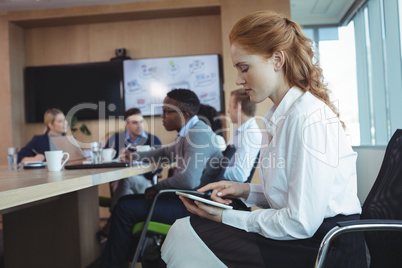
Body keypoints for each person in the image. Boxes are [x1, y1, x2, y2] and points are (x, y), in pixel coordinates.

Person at [161, 10, 367, 268]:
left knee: (186, 233)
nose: (238, 79)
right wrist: (246, 191)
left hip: (325, 247)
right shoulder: (280, 116)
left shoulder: (308, 118)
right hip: (307, 237)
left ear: (277, 60)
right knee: (188, 229)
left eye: (244, 68)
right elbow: (292, 196)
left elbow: (301, 221)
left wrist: (228, 217)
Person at [100, 89, 223, 267]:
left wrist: (156, 188)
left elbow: (189, 180)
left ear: (185, 114)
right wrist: (135, 157)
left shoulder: (197, 134)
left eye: (167, 111)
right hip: (186, 200)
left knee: (124, 209)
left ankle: (114, 264)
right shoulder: (187, 133)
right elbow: (165, 153)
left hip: (193, 206)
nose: (161, 116)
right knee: (124, 203)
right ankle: (118, 261)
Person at [105, 108, 162, 204]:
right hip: (119, 180)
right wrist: (115, 157)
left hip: (144, 181)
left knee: (127, 178)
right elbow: (105, 161)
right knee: (126, 186)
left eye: (141, 122)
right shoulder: (116, 139)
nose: (139, 126)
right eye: (135, 123)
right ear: (126, 124)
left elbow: (160, 166)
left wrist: (151, 159)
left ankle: (115, 213)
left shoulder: (153, 140)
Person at [224, 88, 261, 182]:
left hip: (230, 192)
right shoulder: (241, 132)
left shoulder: (250, 134)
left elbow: (239, 174)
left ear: (239, 107)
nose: (228, 111)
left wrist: (213, 170)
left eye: (230, 106)